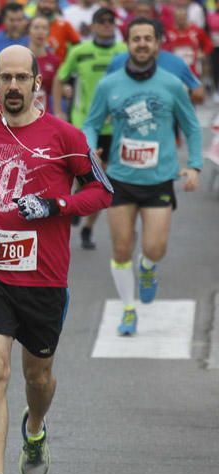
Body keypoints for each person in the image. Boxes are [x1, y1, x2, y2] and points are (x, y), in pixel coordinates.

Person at [0, 45, 112, 474]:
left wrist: (57, 207)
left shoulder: (65, 136)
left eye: (23, 78)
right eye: (6, 79)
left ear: (38, 82)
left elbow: (103, 190)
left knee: (37, 375)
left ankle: (34, 428)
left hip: (44, 279)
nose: (13, 87)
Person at [83, 18, 201, 336]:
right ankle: (128, 309)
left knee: (155, 248)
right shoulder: (110, 84)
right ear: (129, 43)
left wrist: (194, 165)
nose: (142, 44)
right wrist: (91, 147)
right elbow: (91, 123)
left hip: (159, 179)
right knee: (121, 250)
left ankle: (148, 268)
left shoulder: (171, 84)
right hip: (121, 179)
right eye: (136, 39)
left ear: (158, 43)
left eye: (148, 38)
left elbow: (191, 126)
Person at [53, 7, 126, 250]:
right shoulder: (80, 51)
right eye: (101, 21)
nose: (107, 25)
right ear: (92, 26)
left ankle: (88, 227)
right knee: (91, 174)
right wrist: (60, 109)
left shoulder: (123, 51)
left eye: (110, 21)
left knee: (104, 179)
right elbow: (60, 76)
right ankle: (78, 196)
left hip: (115, 127)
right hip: (85, 124)